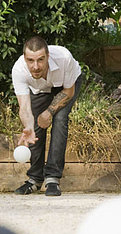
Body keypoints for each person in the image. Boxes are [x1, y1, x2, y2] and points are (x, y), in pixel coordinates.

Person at [12, 36, 82, 196]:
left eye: (40, 60)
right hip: (40, 89)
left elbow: (68, 92)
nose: (35, 66)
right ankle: (34, 179)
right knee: (34, 129)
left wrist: (48, 112)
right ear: (25, 58)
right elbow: (24, 106)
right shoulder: (19, 70)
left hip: (66, 86)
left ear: (48, 56)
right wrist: (28, 126)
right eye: (30, 61)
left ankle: (52, 178)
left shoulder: (64, 58)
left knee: (60, 119)